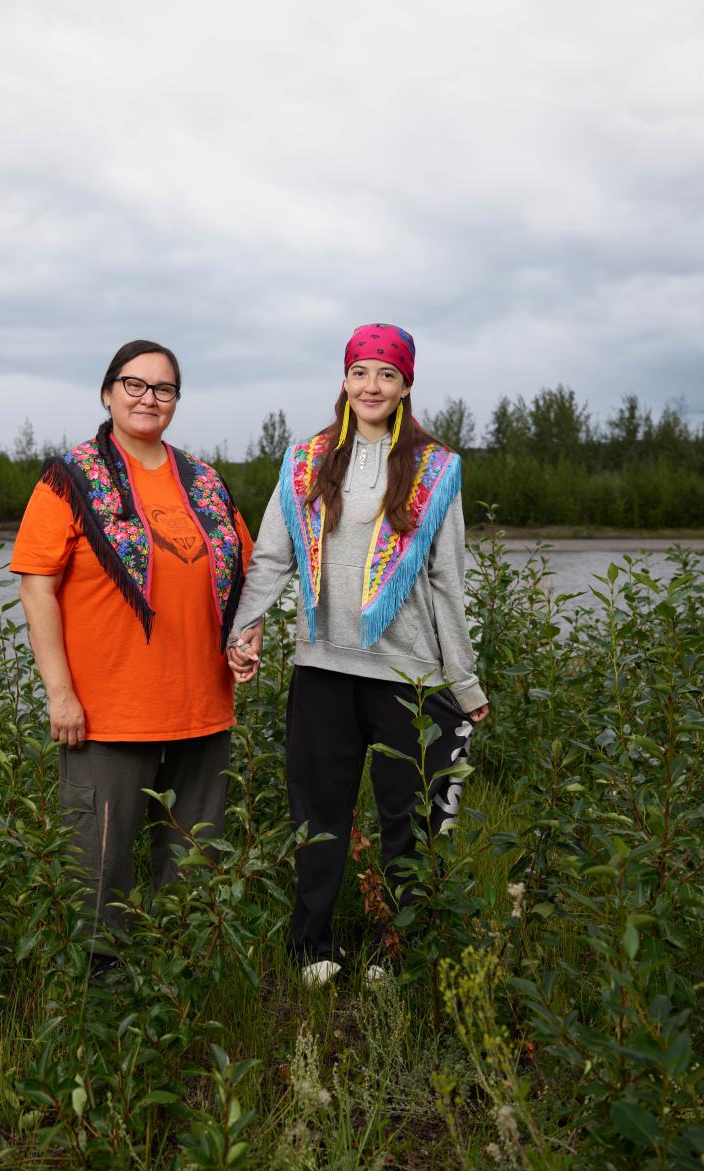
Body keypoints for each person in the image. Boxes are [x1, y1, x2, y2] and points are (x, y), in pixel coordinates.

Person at [228, 323, 488, 987]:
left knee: (411, 819)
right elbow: (271, 556)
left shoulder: (435, 469)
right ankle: (311, 945)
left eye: (387, 374)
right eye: (360, 372)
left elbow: (448, 579)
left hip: (410, 677)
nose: (371, 385)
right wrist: (245, 628)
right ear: (344, 380)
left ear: (405, 386)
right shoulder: (305, 459)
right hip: (321, 667)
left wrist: (463, 680)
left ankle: (396, 948)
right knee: (316, 814)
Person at [11, 340, 252, 973]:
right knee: (98, 865)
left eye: (163, 388)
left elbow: (248, 578)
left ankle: (175, 987)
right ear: (108, 392)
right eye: (134, 385)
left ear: (177, 400)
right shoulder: (70, 477)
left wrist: (247, 638)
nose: (148, 398)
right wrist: (59, 693)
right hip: (108, 710)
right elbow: (37, 586)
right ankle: (99, 1001)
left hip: (203, 707)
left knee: (193, 863)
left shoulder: (203, 480)